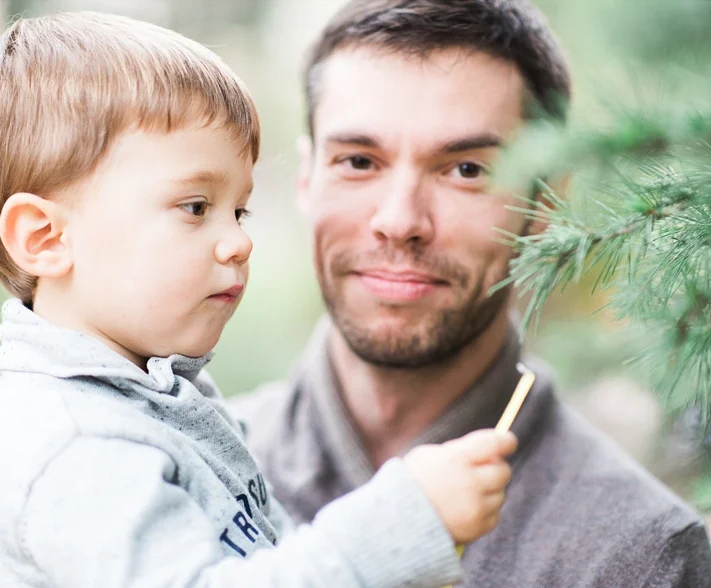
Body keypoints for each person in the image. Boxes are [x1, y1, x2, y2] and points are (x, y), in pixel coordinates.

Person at [0, 11, 520, 588]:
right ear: (45, 238)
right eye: (196, 207)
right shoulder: (71, 446)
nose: (239, 241)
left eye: (239, 210)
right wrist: (396, 530)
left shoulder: (152, 397)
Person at [233, 1, 711, 586]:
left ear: (546, 201)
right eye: (359, 161)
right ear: (308, 179)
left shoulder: (637, 554)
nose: (400, 219)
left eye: (466, 170)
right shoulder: (165, 470)